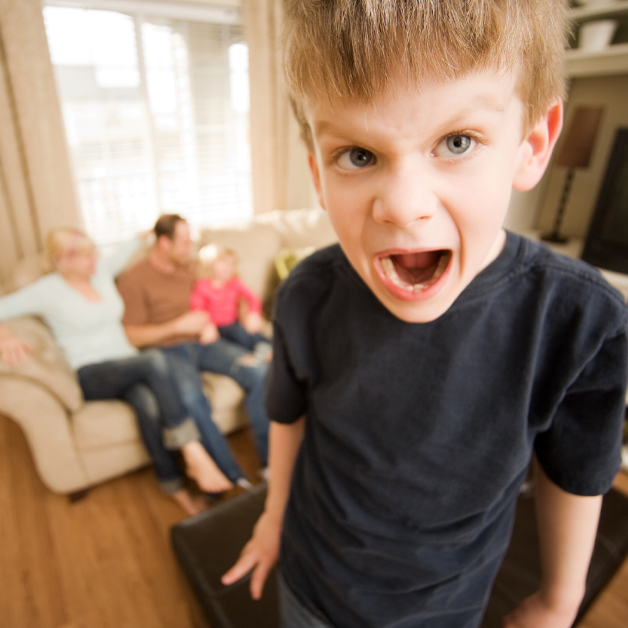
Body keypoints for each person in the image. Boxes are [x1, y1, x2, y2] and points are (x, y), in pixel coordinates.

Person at [221, 2, 628, 627]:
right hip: (309, 586)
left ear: (532, 144)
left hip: (444, 611)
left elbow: (578, 473)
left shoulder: (577, 319)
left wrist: (559, 598)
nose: (404, 207)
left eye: (456, 142)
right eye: (357, 155)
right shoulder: (308, 295)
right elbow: (286, 415)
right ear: (318, 176)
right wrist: (272, 520)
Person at [0, 227, 233, 515]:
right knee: (154, 360)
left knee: (147, 404)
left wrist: (148, 234)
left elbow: (127, 247)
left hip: (127, 365)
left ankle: (175, 487)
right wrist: (6, 336)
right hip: (92, 373)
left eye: (95, 251)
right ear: (63, 259)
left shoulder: (100, 272)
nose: (95, 259)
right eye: (86, 256)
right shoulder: (47, 290)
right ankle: (193, 451)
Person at [116, 215, 270, 486]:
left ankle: (270, 464)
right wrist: (176, 326)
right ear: (164, 243)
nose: (191, 247)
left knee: (260, 371)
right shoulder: (134, 279)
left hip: (206, 341)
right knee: (193, 402)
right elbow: (133, 336)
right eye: (184, 242)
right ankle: (230, 477)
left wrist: (246, 312)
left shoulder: (192, 268)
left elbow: (229, 289)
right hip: (169, 352)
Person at [191, 245, 272, 360]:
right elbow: (198, 308)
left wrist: (254, 313)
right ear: (210, 263)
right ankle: (261, 352)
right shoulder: (202, 286)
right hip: (215, 329)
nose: (228, 267)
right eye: (223, 262)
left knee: (245, 333)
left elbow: (254, 298)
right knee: (227, 344)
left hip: (233, 324)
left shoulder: (235, 283)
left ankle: (270, 348)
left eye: (232, 264)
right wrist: (207, 325)